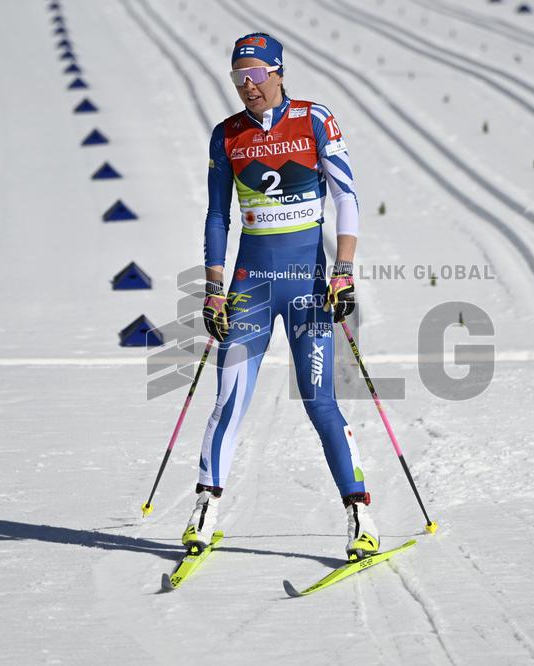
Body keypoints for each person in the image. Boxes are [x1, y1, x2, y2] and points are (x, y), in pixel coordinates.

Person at [182, 32, 379, 559]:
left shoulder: (315, 119)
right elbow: (216, 216)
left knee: (320, 402)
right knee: (228, 401)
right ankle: (204, 508)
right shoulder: (226, 135)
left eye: (256, 75)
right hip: (250, 289)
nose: (248, 87)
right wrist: (213, 289)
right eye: (238, 78)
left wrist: (343, 272)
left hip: (310, 288)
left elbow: (347, 196)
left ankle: (360, 514)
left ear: (278, 72)